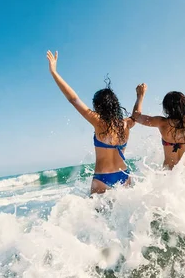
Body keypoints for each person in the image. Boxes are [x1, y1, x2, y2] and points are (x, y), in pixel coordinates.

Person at [46, 50, 135, 194]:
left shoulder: (98, 121)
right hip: (124, 175)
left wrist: (54, 72)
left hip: (102, 178)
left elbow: (73, 99)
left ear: (98, 106)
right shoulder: (126, 124)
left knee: (97, 216)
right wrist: (140, 96)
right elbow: (136, 114)